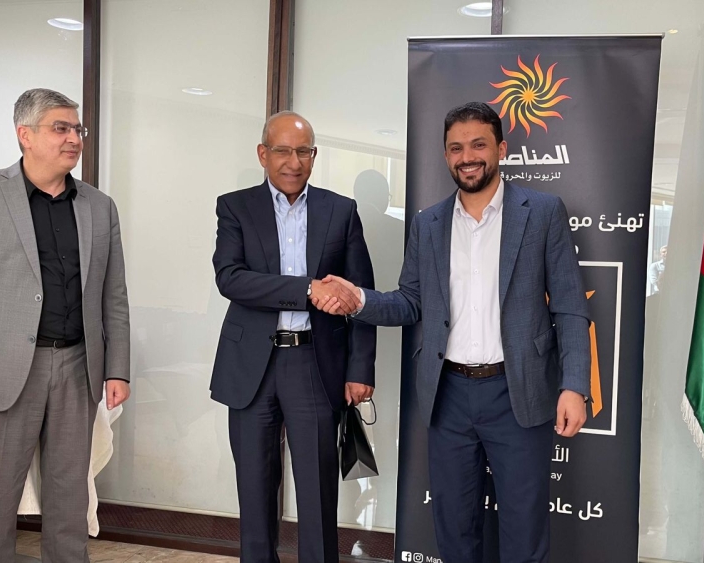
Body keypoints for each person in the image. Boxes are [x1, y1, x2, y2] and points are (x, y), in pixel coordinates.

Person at [316, 102, 591, 563]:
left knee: (524, 532)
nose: (468, 157)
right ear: (446, 156)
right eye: (456, 148)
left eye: (478, 145)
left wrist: (574, 386)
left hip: (519, 393)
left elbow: (569, 306)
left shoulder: (542, 212)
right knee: (454, 529)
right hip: (449, 396)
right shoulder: (428, 223)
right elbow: (410, 301)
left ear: (501, 149)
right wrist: (358, 299)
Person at [0, 88, 131, 562]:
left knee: (70, 499)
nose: (74, 139)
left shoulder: (99, 206)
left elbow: (114, 295)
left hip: (78, 367)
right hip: (1, 372)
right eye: (61, 128)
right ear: (25, 135)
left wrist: (117, 368)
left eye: (77, 129)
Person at [210, 111, 377, 562]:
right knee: (255, 489)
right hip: (252, 367)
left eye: (303, 151)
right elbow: (231, 278)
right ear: (263, 154)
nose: (293, 161)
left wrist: (360, 368)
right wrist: (307, 289)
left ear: (314, 155)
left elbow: (362, 297)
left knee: (318, 492)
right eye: (282, 150)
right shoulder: (235, 207)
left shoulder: (340, 211)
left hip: (314, 365)